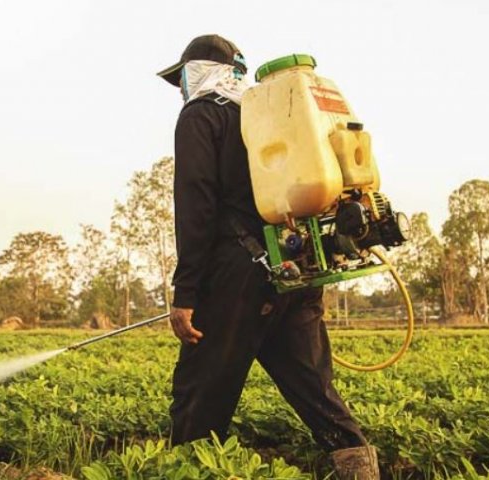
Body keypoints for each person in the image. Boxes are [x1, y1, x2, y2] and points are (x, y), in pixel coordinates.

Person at [157, 34, 380, 480]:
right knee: (313, 386)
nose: (180, 87)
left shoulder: (202, 116)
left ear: (197, 72)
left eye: (181, 77)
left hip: (235, 276)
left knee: (199, 389)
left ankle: (185, 471)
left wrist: (186, 293)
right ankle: (359, 468)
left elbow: (196, 204)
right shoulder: (270, 116)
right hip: (294, 267)